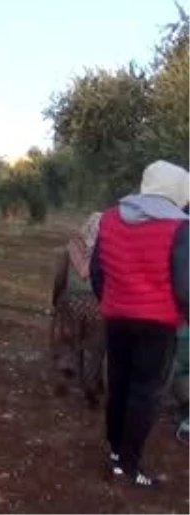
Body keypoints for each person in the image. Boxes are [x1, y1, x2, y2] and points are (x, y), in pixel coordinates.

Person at [90, 159, 190, 488]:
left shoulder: (109, 218)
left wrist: (113, 299)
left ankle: (116, 454)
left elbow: (97, 271)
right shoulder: (180, 228)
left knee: (119, 384)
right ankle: (131, 465)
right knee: (144, 393)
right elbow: (185, 285)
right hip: (157, 324)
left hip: (117, 316)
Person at [50, 212, 106, 408]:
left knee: (66, 343)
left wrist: (56, 300)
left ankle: (64, 378)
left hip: (70, 302)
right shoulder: (109, 248)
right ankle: (91, 389)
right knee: (93, 349)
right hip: (97, 305)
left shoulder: (72, 247)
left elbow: (60, 277)